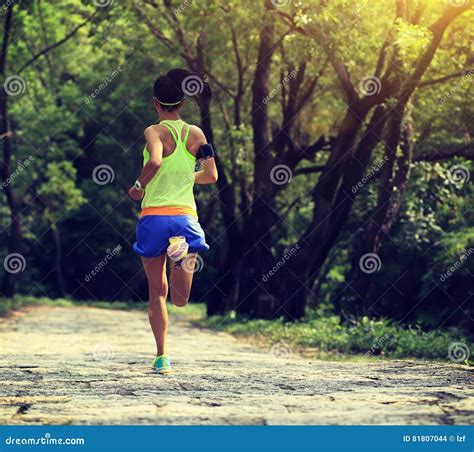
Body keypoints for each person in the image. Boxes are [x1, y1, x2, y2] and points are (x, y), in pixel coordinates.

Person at [128, 68, 218, 374]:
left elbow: (154, 161)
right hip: (184, 220)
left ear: (156, 102)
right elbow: (211, 175)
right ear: (182, 103)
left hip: (153, 219)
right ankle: (178, 254)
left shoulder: (153, 132)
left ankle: (162, 356)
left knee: (158, 293)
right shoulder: (197, 134)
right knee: (181, 299)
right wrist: (183, 178)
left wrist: (138, 188)